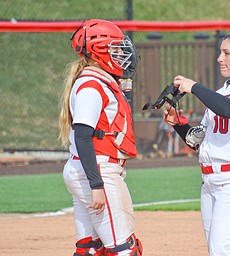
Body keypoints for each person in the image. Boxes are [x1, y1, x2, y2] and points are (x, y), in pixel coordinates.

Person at [163, 30, 230, 256]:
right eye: (220, 52)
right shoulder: (224, 90)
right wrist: (177, 124)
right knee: (218, 251)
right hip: (209, 181)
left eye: (227, 53)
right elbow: (197, 142)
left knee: (221, 251)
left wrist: (195, 87)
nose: (220, 58)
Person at [59, 19, 142, 256]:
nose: (121, 55)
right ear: (98, 53)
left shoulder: (96, 81)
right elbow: (84, 136)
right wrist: (96, 185)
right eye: (114, 49)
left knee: (89, 248)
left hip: (86, 169)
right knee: (124, 249)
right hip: (97, 171)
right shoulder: (91, 86)